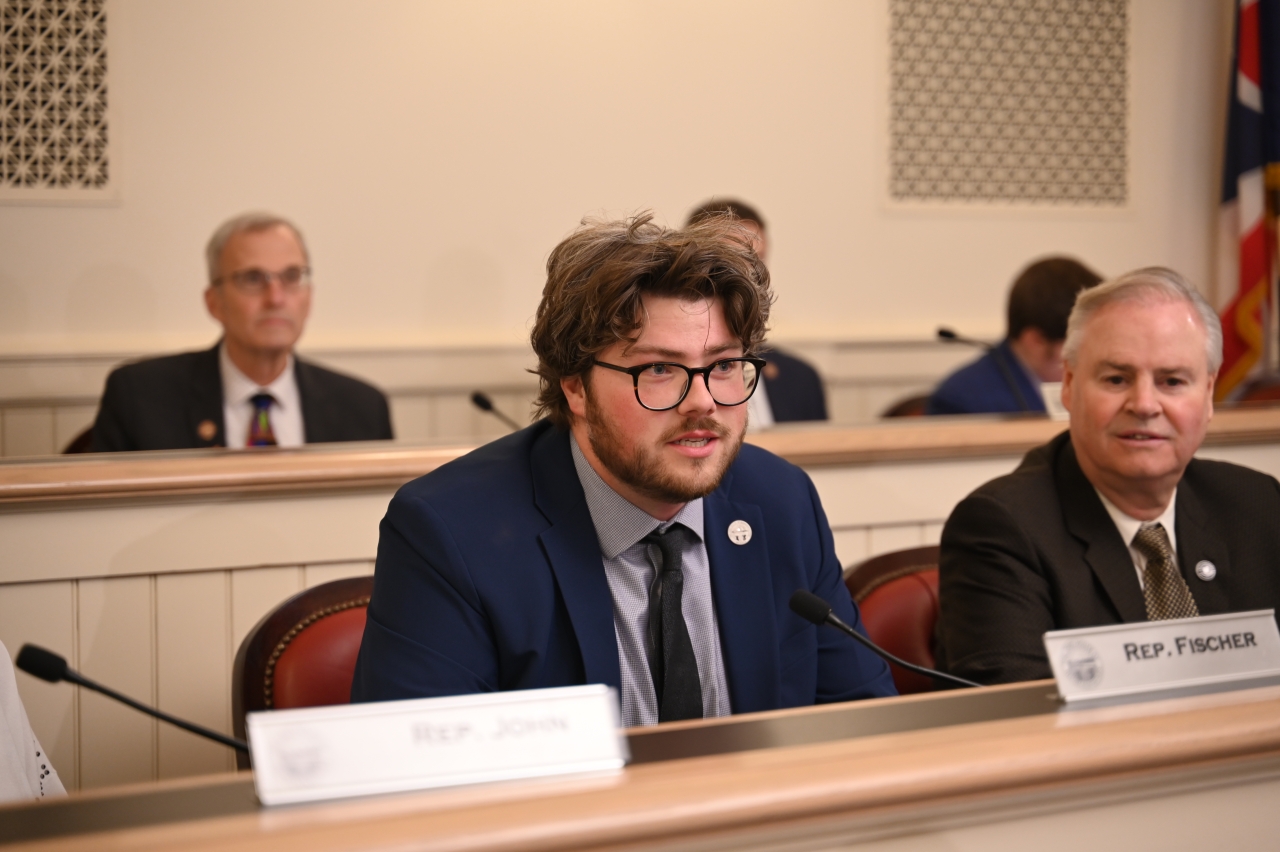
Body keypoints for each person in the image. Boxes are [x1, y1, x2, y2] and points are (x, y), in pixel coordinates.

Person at [351, 213, 894, 724]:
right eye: (659, 369)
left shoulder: (782, 501)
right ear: (575, 387)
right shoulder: (450, 530)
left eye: (725, 365)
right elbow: (419, 780)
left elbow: (864, 726)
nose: (702, 401)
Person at [936, 267, 1280, 684]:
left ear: (1208, 396)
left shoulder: (1258, 503)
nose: (1145, 404)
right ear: (1068, 384)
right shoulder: (1001, 530)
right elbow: (1017, 721)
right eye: (1117, 379)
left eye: (1172, 381)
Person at [90, 213, 393, 451]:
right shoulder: (140, 397)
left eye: (291, 276)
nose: (275, 298)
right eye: (252, 278)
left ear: (309, 296)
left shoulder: (363, 408)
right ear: (214, 303)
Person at [686, 199, 827, 423]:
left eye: (758, 260)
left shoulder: (800, 378)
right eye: (733, 258)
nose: (750, 274)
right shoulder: (665, 375)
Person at [927, 257, 1103, 415]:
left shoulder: (1104, 388)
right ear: (1036, 341)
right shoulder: (963, 400)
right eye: (1081, 346)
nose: (1094, 357)